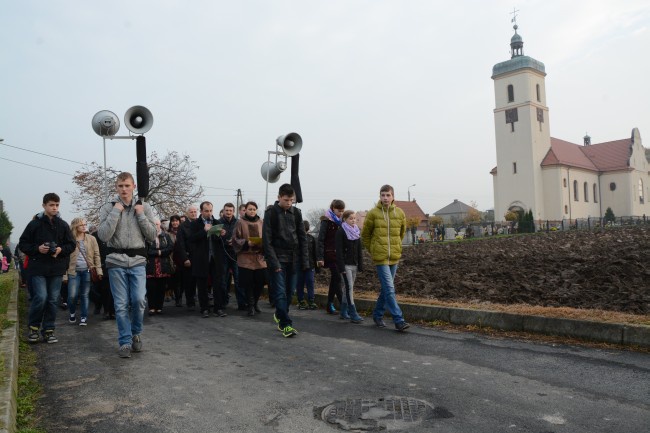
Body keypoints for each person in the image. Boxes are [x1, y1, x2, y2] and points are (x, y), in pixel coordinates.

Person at [98, 172, 157, 358]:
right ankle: (124, 341)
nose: (124, 189)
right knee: (121, 304)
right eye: (120, 186)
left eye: (127, 186)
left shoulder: (144, 207)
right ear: (116, 187)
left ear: (134, 187)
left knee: (139, 300)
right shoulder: (107, 208)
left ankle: (136, 333)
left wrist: (140, 215)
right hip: (116, 260)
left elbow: (152, 235)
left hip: (138, 260)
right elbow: (103, 236)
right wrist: (116, 211)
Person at [19, 193, 76, 343]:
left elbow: (72, 244)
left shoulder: (63, 225)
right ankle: (33, 328)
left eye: (57, 205)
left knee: (52, 300)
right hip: (38, 268)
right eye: (51, 205)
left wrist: (60, 250)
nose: (54, 208)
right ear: (44, 205)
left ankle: (49, 330)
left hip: (56, 268)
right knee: (41, 297)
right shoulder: (34, 224)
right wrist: (37, 249)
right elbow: (23, 244)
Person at [360, 185, 410, 332]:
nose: (385, 198)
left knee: (386, 289)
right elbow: (366, 235)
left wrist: (396, 247)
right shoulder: (373, 214)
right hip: (380, 258)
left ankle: (377, 314)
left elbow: (401, 233)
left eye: (388, 195)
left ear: (393, 196)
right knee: (389, 288)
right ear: (380, 197)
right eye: (383, 195)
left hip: (394, 256)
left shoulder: (400, 213)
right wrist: (373, 250)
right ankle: (399, 320)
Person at [262, 183, 308, 338]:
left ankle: (280, 313)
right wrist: (274, 263)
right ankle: (286, 324)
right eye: (286, 199)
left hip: (294, 259)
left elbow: (302, 238)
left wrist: (305, 262)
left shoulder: (297, 213)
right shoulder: (271, 213)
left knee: (290, 292)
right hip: (278, 258)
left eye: (291, 200)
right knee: (280, 292)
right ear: (279, 197)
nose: (289, 203)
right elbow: (266, 241)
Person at [187, 201, 227, 318]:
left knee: (217, 284)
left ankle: (218, 308)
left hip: (215, 258)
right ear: (201, 211)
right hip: (201, 259)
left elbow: (220, 243)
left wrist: (222, 234)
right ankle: (204, 308)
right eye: (206, 211)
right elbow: (191, 239)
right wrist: (203, 231)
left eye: (210, 211)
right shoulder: (195, 224)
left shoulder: (217, 222)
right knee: (202, 284)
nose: (209, 213)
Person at [232, 201, 267, 316]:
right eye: (250, 209)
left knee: (260, 281)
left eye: (254, 209)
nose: (252, 211)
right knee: (248, 283)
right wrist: (247, 243)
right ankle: (250, 305)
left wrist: (262, 243)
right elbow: (235, 239)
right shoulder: (240, 222)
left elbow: (267, 237)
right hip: (245, 257)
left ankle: (255, 302)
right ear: (245, 210)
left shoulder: (261, 222)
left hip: (259, 257)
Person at [66, 218, 102, 326]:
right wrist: (64, 275)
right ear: (75, 226)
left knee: (84, 295)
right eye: (81, 225)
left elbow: (97, 255)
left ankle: (83, 317)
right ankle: (72, 313)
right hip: (73, 271)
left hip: (87, 270)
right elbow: (64, 257)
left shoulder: (91, 238)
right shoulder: (69, 239)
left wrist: (99, 270)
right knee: (72, 295)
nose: (84, 226)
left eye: (85, 224)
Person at [335, 210, 364, 323]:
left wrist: (360, 265)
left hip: (354, 264)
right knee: (349, 288)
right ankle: (353, 313)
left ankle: (343, 311)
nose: (353, 220)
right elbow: (339, 252)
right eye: (350, 218)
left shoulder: (356, 232)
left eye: (354, 218)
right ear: (344, 219)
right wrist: (341, 268)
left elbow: (359, 250)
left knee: (347, 288)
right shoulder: (341, 232)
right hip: (345, 265)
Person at [317, 199, 345, 314]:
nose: (341, 213)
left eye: (343, 211)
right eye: (339, 210)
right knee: (337, 278)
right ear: (333, 208)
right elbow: (320, 239)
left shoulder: (340, 222)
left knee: (335, 279)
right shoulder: (326, 221)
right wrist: (320, 257)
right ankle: (343, 305)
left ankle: (329, 305)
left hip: (338, 254)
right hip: (329, 254)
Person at [215, 203, 244, 310]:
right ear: (223, 210)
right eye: (227, 210)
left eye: (230, 210)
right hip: (223, 254)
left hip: (236, 255)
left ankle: (241, 303)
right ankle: (223, 301)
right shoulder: (218, 222)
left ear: (233, 211)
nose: (228, 212)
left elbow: (243, 238)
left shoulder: (238, 222)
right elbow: (214, 239)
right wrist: (222, 238)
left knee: (238, 280)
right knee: (223, 280)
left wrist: (235, 242)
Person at [146, 219, 174, 315]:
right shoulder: (147, 236)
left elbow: (170, 248)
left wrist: (160, 252)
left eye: (157, 224)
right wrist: (158, 252)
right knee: (151, 287)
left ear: (160, 225)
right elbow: (146, 250)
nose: (156, 226)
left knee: (161, 287)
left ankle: (159, 307)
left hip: (163, 264)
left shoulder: (166, 236)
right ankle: (151, 307)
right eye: (153, 224)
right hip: (151, 265)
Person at [174, 205, 198, 309]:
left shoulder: (200, 224)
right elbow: (181, 244)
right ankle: (190, 302)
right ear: (187, 213)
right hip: (188, 256)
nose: (193, 213)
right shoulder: (182, 226)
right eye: (191, 212)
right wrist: (185, 258)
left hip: (199, 257)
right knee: (189, 281)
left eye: (195, 212)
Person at [296, 220, 318, 310]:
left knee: (310, 283)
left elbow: (315, 253)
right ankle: (301, 301)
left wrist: (317, 267)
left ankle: (311, 300)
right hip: (299, 265)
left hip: (310, 265)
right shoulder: (296, 238)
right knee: (299, 283)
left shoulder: (312, 239)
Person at [166, 215, 183, 307]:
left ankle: (180, 297)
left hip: (182, 259)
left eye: (176, 221)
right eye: (173, 221)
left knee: (181, 281)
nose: (175, 222)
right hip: (171, 259)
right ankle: (177, 298)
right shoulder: (167, 233)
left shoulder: (183, 232)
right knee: (174, 281)